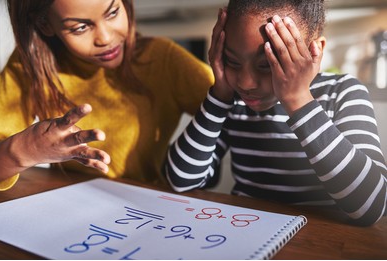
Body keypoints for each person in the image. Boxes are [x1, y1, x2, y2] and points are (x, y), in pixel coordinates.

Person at [165, 0, 387, 226]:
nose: (246, 82)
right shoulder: (232, 100)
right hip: (245, 232)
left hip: (321, 245)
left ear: (315, 51)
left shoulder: (342, 92)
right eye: (232, 61)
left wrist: (298, 99)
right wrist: (219, 96)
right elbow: (181, 180)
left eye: (267, 65)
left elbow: (371, 206)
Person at [0, 0, 214, 190]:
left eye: (112, 13)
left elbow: (233, 107)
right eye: (80, 27)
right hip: (72, 205)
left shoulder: (163, 59)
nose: (105, 38)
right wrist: (27, 150)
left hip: (148, 208)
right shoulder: (29, 67)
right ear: (45, 24)